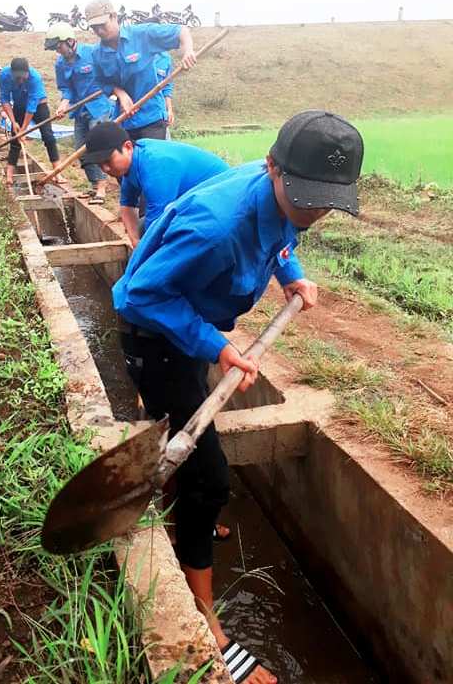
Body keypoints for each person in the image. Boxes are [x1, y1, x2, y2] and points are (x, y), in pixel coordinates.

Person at [112, 110, 364, 684]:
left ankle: (183, 515)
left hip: (189, 321)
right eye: (307, 201)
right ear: (274, 167)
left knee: (185, 445)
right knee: (212, 478)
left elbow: (283, 234)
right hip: (154, 334)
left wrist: (291, 274)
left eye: (326, 204)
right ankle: (205, 615)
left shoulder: (282, 191)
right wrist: (217, 347)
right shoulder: (215, 226)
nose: (313, 213)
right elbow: (139, 296)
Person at [82, 122, 229, 246]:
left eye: (108, 161)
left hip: (222, 204)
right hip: (195, 204)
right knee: (140, 230)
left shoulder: (155, 165)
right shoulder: (134, 161)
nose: (106, 169)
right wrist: (135, 242)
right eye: (100, 164)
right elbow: (127, 206)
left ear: (127, 147)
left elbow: (156, 227)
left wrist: (142, 254)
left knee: (169, 243)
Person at [84, 0, 196, 141]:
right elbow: (101, 82)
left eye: (102, 25)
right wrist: (120, 93)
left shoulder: (141, 34)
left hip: (152, 118)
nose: (99, 31)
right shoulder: (96, 54)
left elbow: (180, 31)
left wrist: (188, 51)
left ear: (114, 17)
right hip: (125, 120)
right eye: (94, 27)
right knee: (131, 163)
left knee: (153, 161)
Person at [46, 22, 113, 204]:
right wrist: (64, 103)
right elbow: (65, 88)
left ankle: (101, 188)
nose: (58, 51)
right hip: (80, 109)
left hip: (99, 106)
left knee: (95, 145)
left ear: (70, 41)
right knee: (80, 149)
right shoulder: (60, 63)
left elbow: (110, 76)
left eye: (59, 47)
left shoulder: (93, 53)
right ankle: (93, 184)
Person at [0, 57, 63, 186]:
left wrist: (23, 130)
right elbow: (5, 99)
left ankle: (57, 173)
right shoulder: (4, 75)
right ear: (12, 73)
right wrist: (14, 122)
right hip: (19, 105)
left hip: (39, 106)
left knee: (48, 137)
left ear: (28, 73)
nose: (21, 80)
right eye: (18, 78)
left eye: (23, 78)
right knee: (15, 138)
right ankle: (9, 176)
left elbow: (31, 107)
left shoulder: (35, 78)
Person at [155, 52, 175, 138]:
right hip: (136, 114)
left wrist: (169, 110)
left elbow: (167, 87)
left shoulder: (165, 58)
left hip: (159, 113)